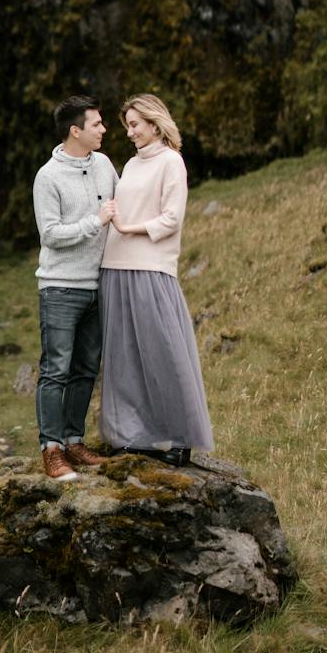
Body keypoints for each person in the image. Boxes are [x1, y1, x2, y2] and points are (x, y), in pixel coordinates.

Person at [99, 93, 213, 465]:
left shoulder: (171, 162)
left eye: (134, 125)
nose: (129, 132)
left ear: (153, 122)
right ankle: (131, 436)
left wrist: (129, 228)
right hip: (115, 267)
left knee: (164, 353)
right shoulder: (130, 165)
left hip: (151, 268)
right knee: (124, 358)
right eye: (127, 126)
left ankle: (182, 437)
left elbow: (171, 219)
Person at [32, 95, 119, 481]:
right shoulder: (47, 177)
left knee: (86, 369)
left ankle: (73, 440)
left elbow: (124, 205)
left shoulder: (104, 165)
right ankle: (50, 450)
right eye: (97, 124)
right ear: (75, 131)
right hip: (61, 289)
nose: (104, 130)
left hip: (98, 286)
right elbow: (50, 235)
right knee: (56, 370)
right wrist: (94, 221)